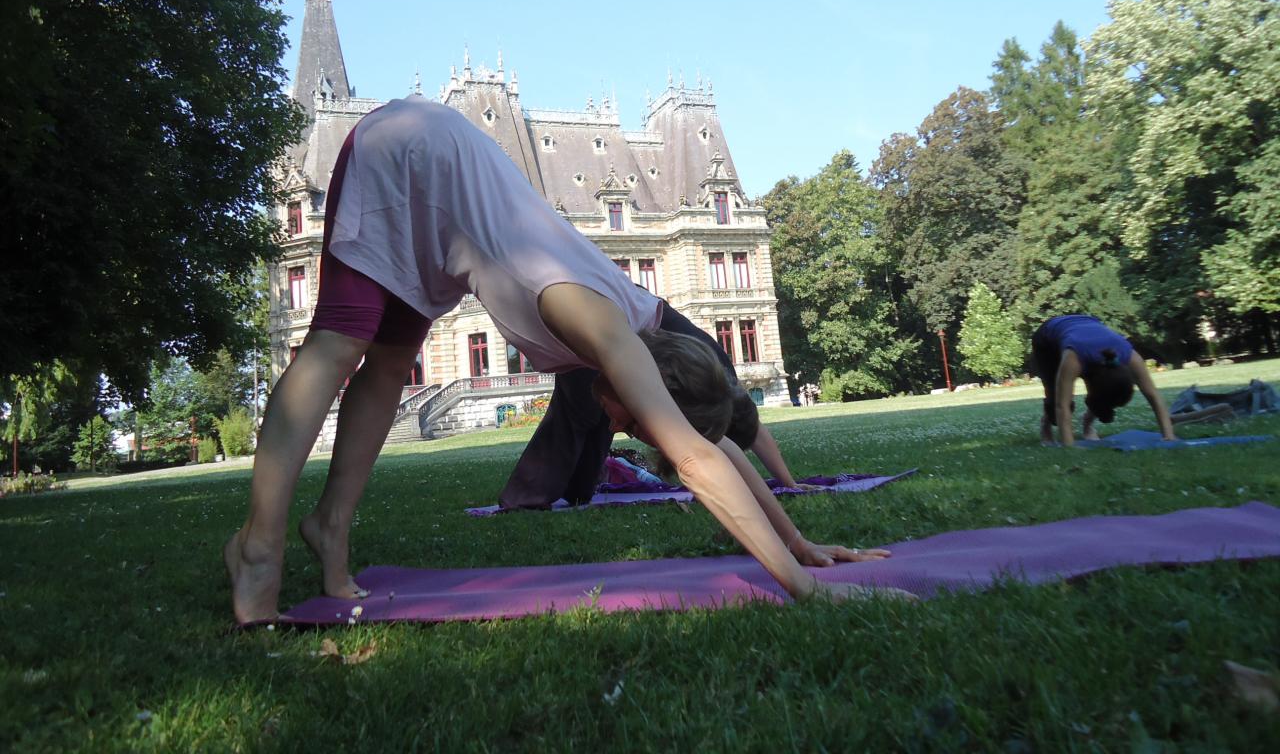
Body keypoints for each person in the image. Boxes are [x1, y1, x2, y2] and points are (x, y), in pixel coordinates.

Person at [225, 96, 898, 623]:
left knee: (392, 356)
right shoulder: (605, 326)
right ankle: (259, 547)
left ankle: (330, 531)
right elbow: (693, 458)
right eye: (637, 424)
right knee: (340, 341)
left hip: (447, 189)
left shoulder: (631, 328)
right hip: (411, 154)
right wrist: (804, 588)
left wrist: (799, 542)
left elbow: (710, 448)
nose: (628, 431)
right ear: (641, 391)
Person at [497, 300, 819, 511]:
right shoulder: (716, 380)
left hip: (623, 321)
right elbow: (727, 444)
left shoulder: (722, 383)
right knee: (582, 408)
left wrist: (787, 483)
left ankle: (577, 488)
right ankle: (525, 497)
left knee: (598, 415)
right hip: (612, 321)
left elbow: (744, 435)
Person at [1031, 314, 1176, 447]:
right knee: (1055, 398)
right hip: (1048, 339)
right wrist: (1069, 446)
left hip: (1086, 325)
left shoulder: (1130, 357)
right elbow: (1061, 405)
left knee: (1106, 400)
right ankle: (1046, 427)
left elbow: (1153, 395)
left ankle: (1087, 425)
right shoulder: (1073, 359)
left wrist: (1168, 436)